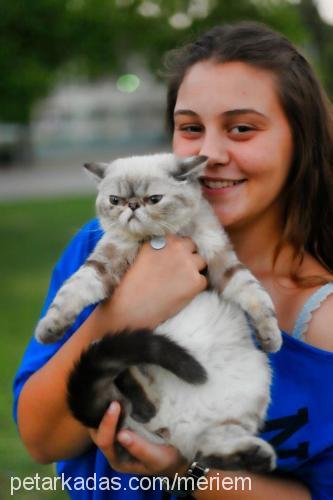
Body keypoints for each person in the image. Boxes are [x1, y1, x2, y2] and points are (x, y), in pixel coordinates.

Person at [13, 21, 333, 500]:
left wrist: (185, 472)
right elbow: (41, 440)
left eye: (241, 128)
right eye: (190, 128)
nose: (208, 152)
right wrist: (122, 314)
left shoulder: (324, 316)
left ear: (300, 139)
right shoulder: (108, 249)